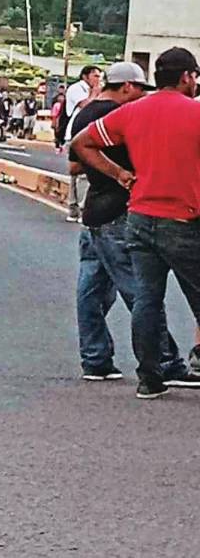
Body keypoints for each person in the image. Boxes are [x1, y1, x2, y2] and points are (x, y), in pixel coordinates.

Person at [73, 47, 200, 399]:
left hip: (141, 218)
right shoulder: (195, 113)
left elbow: (82, 144)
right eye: (195, 76)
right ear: (186, 76)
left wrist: (120, 174)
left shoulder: (132, 111)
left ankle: (150, 379)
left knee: (146, 299)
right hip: (184, 219)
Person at [63, 65, 102, 220]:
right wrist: (95, 93)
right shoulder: (76, 89)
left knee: (79, 173)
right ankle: (79, 208)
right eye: (95, 76)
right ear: (85, 76)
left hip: (85, 132)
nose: (98, 79)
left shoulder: (94, 90)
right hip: (76, 133)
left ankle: (75, 208)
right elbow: (86, 106)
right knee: (80, 173)